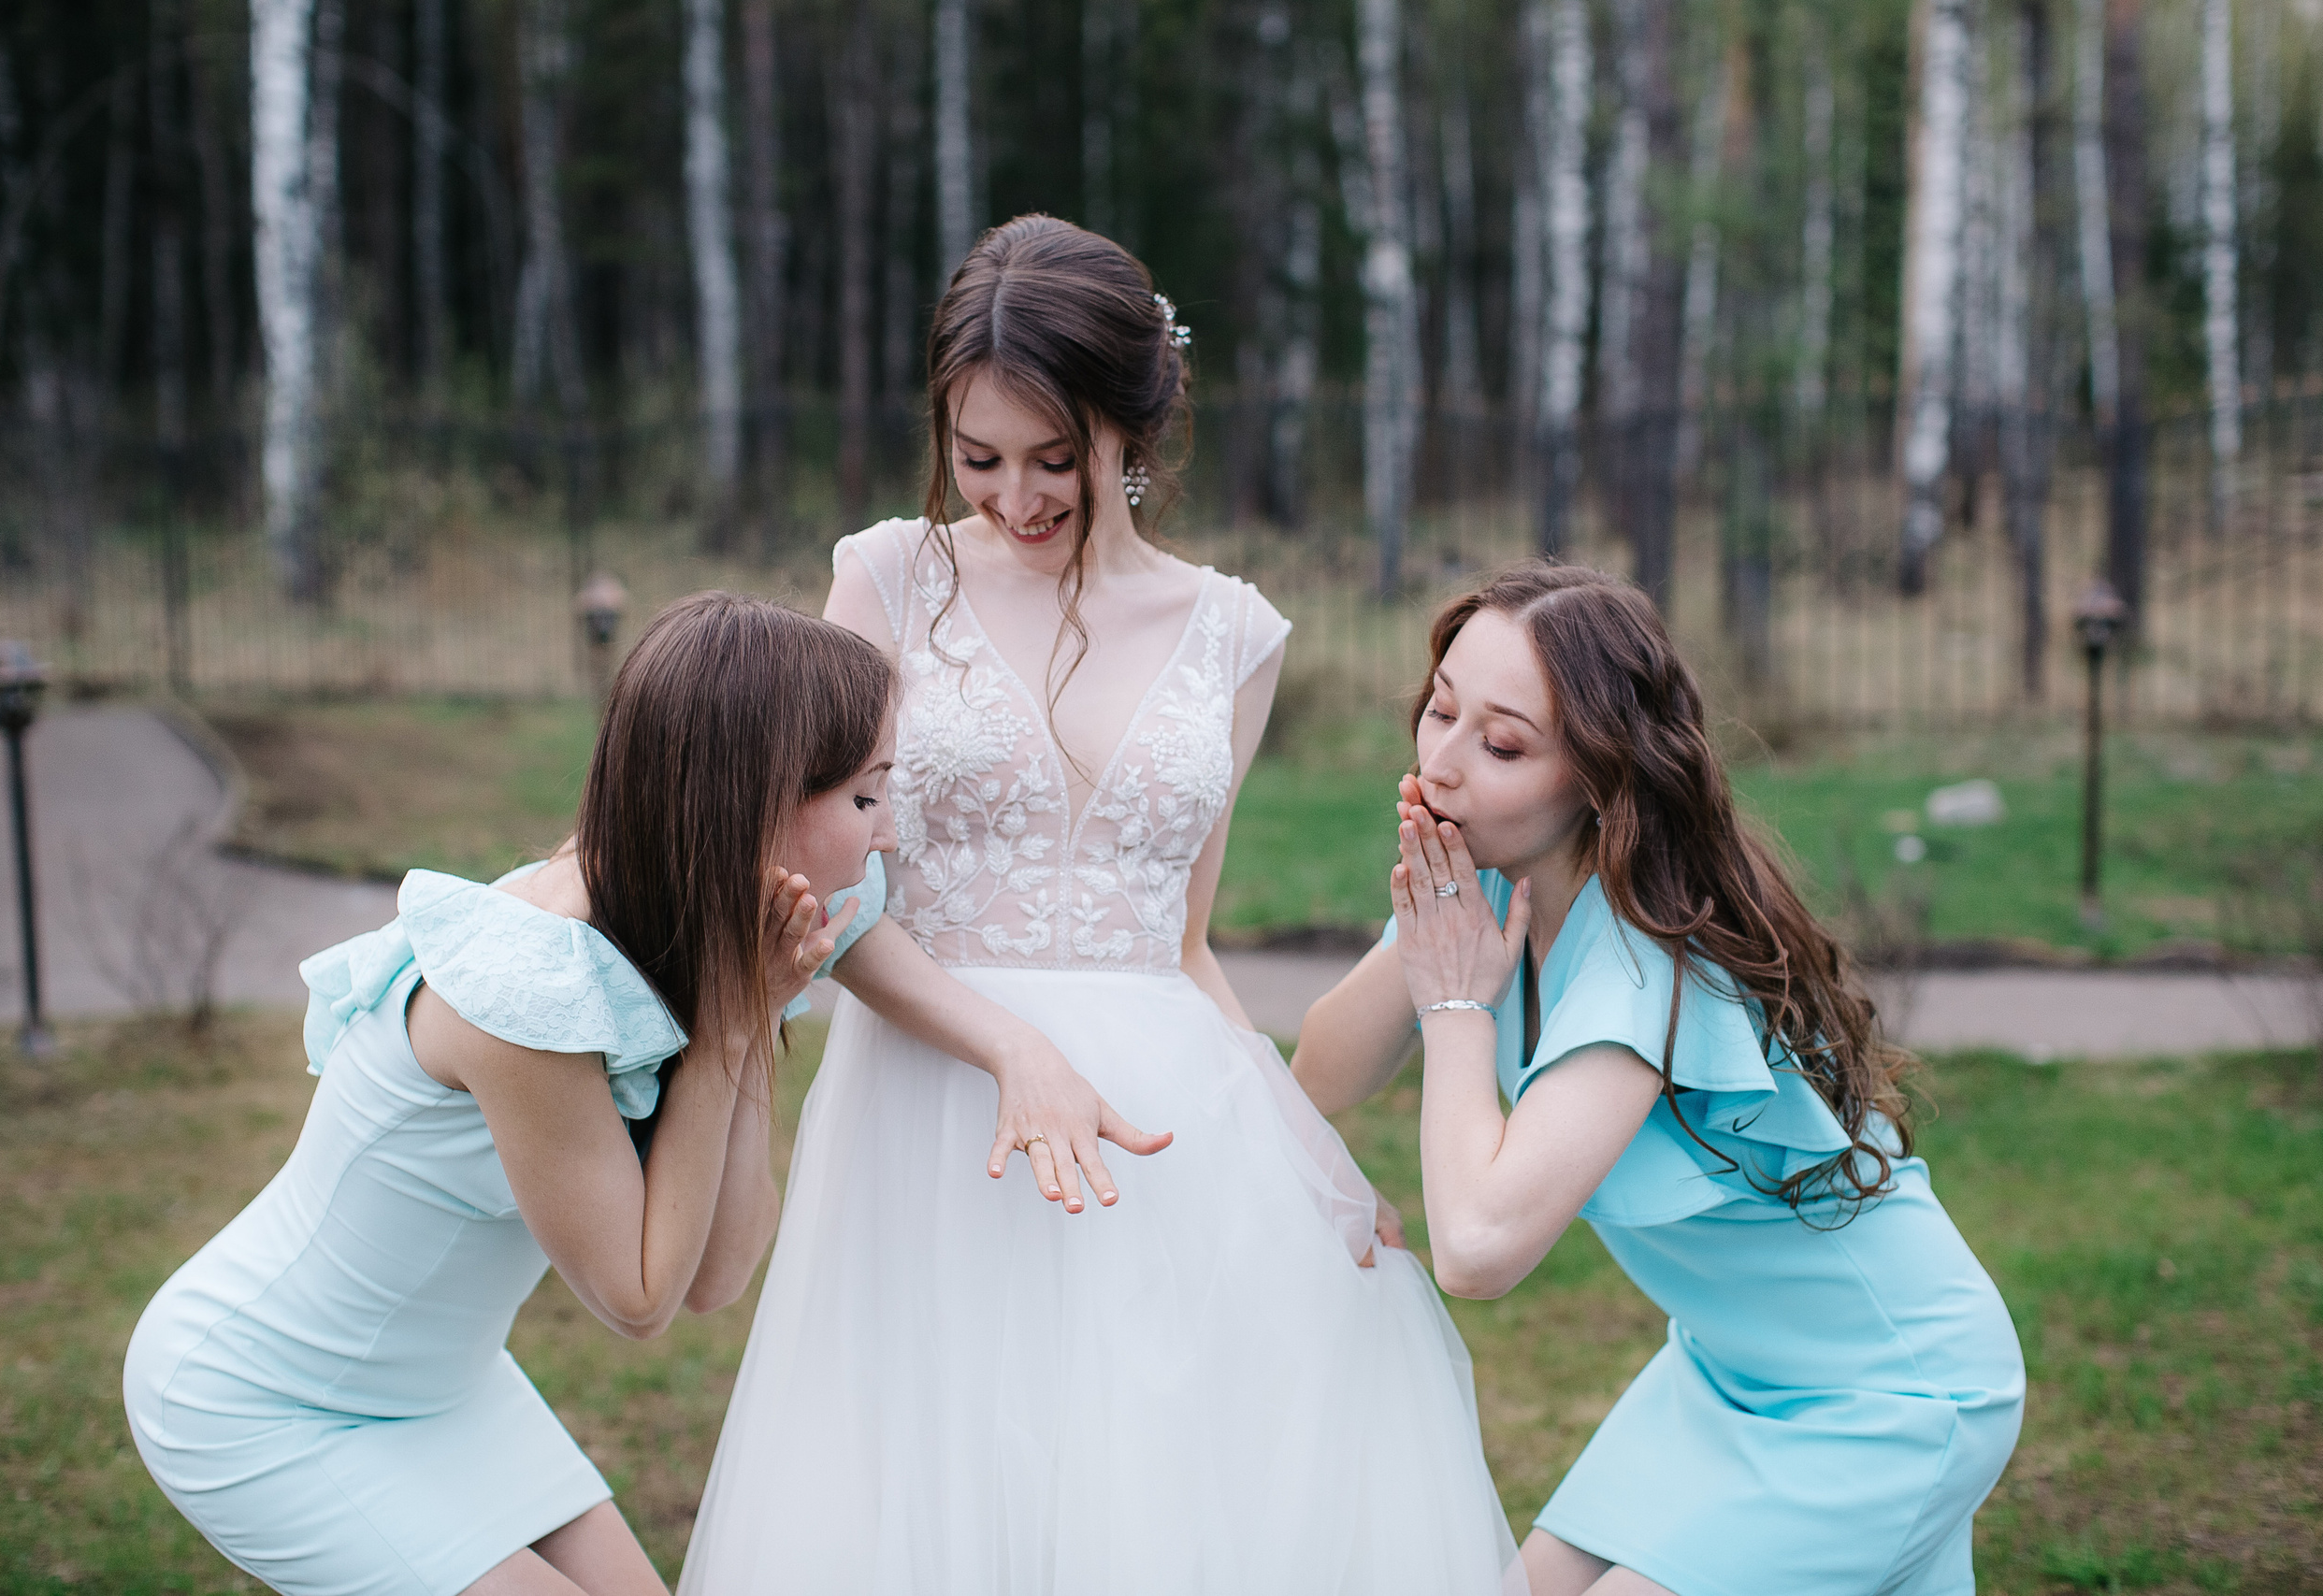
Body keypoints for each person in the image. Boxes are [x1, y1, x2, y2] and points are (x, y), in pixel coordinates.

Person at [677, 215, 1514, 1594]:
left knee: (1162, 1510)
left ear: (1136, 423)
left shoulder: (1235, 633)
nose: (1016, 498)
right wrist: (1013, 1045)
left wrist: (1303, 1151)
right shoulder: (887, 580)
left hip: (1159, 1134)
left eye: (1055, 458)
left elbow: (1181, 940)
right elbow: (826, 888)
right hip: (932, 1117)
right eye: (979, 458)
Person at [122, 594, 898, 1596]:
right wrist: (733, 1032)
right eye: (866, 798)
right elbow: (641, 1298)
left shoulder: (708, 927)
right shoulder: (524, 987)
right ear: (755, 801)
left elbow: (717, 1275)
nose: (885, 836)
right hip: (266, 1400)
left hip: (447, 1387)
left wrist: (741, 1021)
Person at [1293, 562, 2027, 1596]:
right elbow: (1322, 1071)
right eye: (1440, 712)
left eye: (1500, 743)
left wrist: (1456, 1011)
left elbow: (1477, 1249)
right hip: (1725, 1371)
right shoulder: (1493, 891)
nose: (1443, 763)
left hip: (1888, 1395)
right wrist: (1418, 951)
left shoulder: (1651, 964)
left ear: (1599, 778)